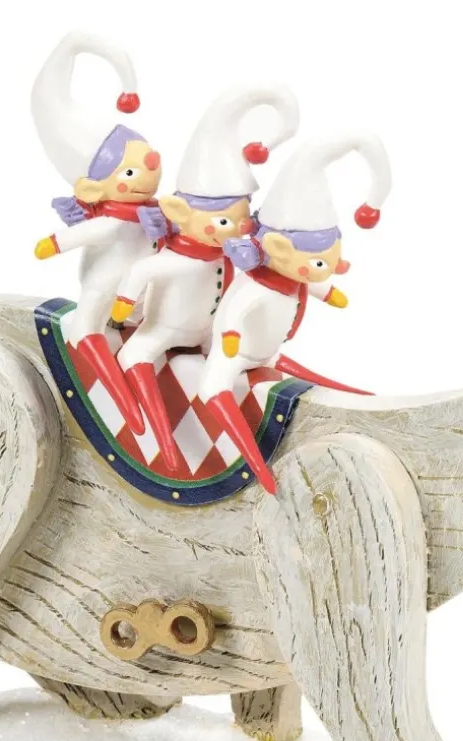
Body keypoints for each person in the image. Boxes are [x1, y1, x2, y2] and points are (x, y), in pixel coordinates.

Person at [109, 84, 299, 473]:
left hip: (209, 336)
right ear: (180, 212)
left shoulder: (229, 256)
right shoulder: (176, 259)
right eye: (224, 221)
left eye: (242, 219)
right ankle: (160, 439)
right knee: (133, 354)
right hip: (165, 330)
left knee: (241, 360)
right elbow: (141, 271)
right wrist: (122, 309)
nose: (236, 230)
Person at [197, 132, 392, 493]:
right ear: (277, 248)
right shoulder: (256, 286)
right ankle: (256, 464)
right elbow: (234, 312)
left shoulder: (295, 279)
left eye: (332, 259)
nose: (328, 269)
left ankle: (364, 402)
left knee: (317, 383)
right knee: (212, 388)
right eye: (320, 262)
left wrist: (328, 292)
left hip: (269, 353)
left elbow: (312, 285)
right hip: (234, 356)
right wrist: (230, 335)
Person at [30, 31, 163, 434]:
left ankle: (127, 405)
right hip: (133, 290)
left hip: (114, 286)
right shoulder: (147, 216)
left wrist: (53, 244)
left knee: (84, 330)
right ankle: (128, 393)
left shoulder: (133, 217)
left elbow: (87, 233)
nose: (149, 170)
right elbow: (96, 231)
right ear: (90, 190)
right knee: (113, 324)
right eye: (130, 170)